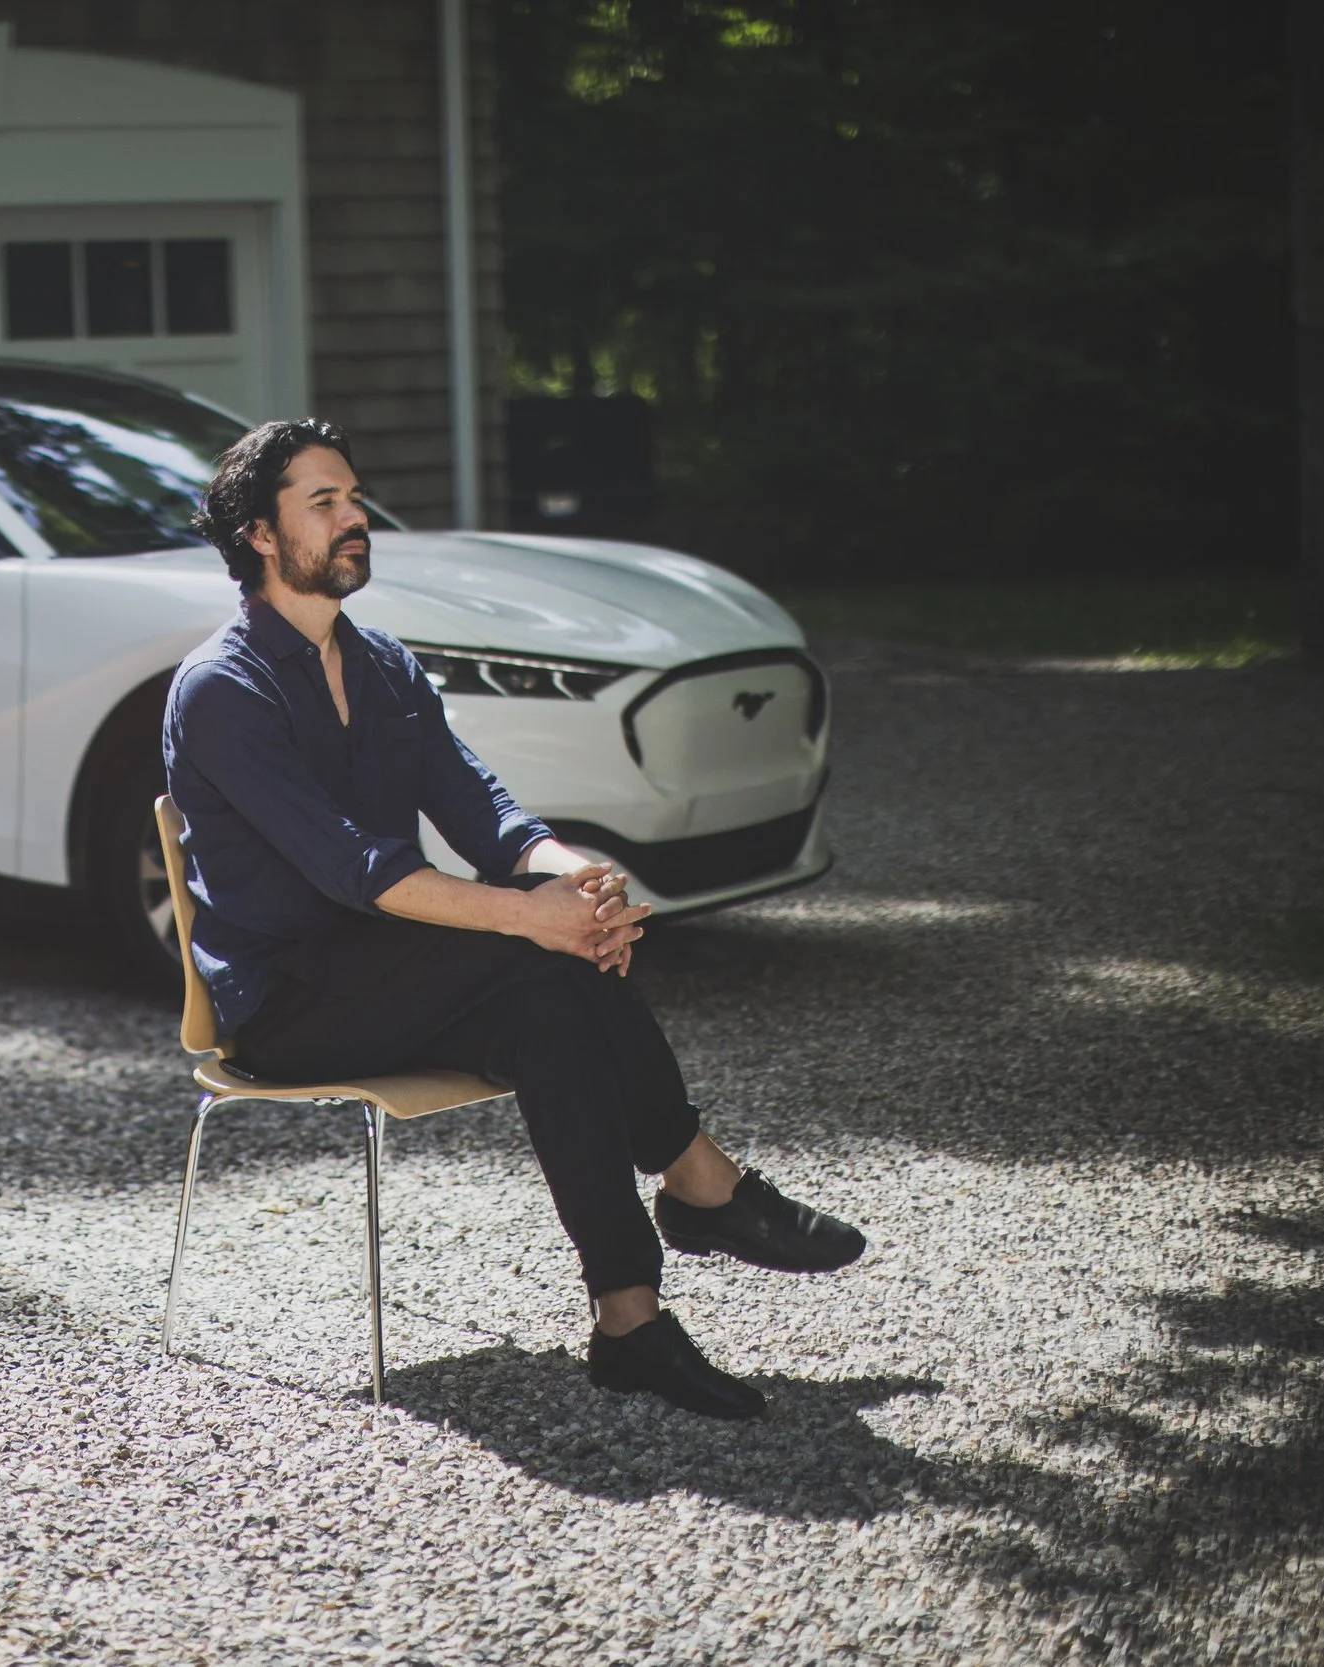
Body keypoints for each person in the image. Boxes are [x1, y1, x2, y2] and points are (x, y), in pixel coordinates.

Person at [163, 419, 865, 1420]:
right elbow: (356, 870)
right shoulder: (222, 689)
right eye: (323, 502)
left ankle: (629, 1319)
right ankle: (700, 1182)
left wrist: (570, 877)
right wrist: (525, 918)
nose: (355, 516)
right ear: (261, 536)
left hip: (392, 969)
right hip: (286, 996)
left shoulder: (383, 665)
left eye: (353, 495)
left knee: (552, 984)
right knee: (534, 960)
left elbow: (484, 809)